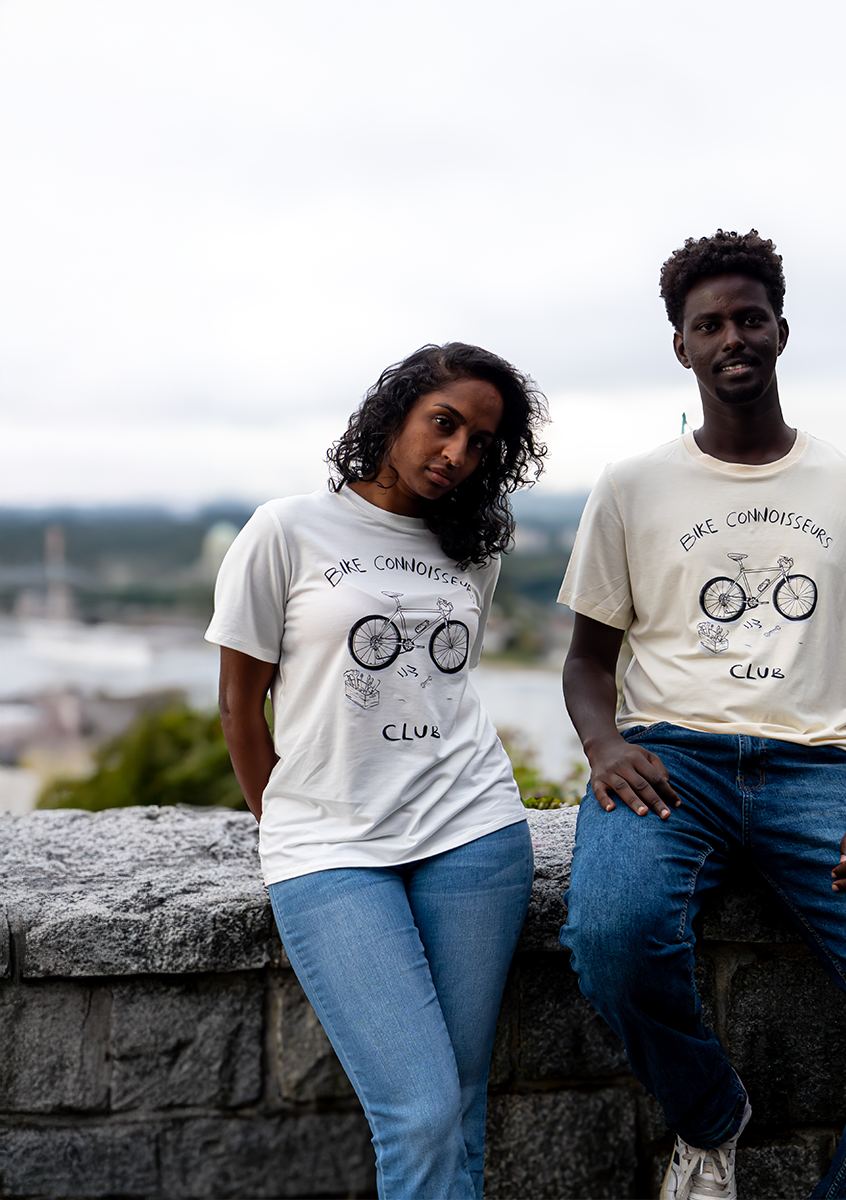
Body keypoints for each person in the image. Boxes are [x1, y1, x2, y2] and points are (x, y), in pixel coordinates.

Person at [557, 232, 846, 1200]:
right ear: (681, 347)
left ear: (781, 330)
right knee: (612, 936)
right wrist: (604, 744)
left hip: (820, 775)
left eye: (748, 317)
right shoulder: (629, 489)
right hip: (673, 762)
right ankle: (711, 1115)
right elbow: (586, 665)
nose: (731, 337)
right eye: (707, 324)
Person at [207, 342, 547, 1200]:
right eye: (445, 424)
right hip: (329, 848)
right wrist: (284, 818)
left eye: (482, 443)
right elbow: (239, 707)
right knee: (421, 1111)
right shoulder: (285, 530)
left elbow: (444, 687)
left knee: (461, 1103)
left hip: (474, 830)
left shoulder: (472, 550)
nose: (458, 454)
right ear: (393, 414)